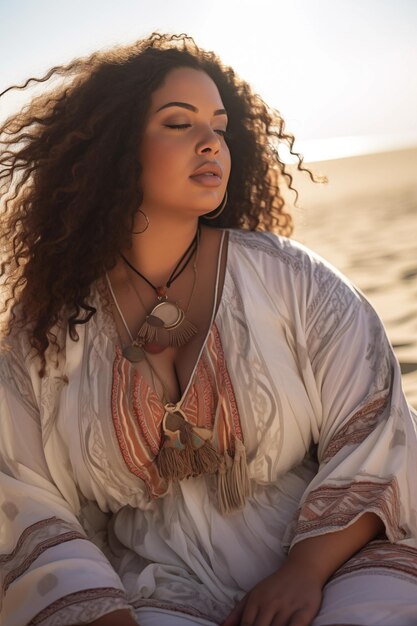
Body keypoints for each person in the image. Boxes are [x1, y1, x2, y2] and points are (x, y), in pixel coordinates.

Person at [0, 32, 416, 626]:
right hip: (154, 587)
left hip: (337, 559)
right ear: (117, 149)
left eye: (219, 127)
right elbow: (24, 496)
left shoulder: (292, 279)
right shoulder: (45, 332)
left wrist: (303, 572)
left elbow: (375, 428)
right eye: (178, 123)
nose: (210, 144)